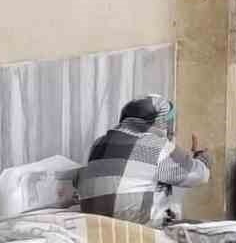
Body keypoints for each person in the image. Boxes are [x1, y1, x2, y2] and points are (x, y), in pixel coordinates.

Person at [76, 94, 210, 227]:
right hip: (136, 227)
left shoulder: (98, 143)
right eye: (169, 121)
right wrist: (201, 156)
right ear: (162, 121)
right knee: (201, 226)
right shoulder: (156, 146)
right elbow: (198, 175)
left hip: (97, 224)